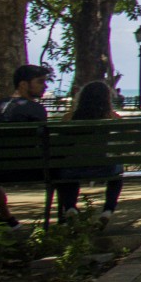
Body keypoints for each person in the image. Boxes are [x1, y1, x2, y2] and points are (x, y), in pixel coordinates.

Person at [0, 64, 51, 225]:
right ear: (23, 85)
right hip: (29, 170)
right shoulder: (36, 109)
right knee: (61, 170)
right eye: (40, 82)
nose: (45, 86)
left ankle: (6, 218)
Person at [54, 79, 123, 218]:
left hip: (73, 169)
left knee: (65, 171)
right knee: (118, 175)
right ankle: (108, 210)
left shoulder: (69, 118)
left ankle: (70, 207)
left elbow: (61, 145)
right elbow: (131, 135)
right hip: (104, 168)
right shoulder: (111, 117)